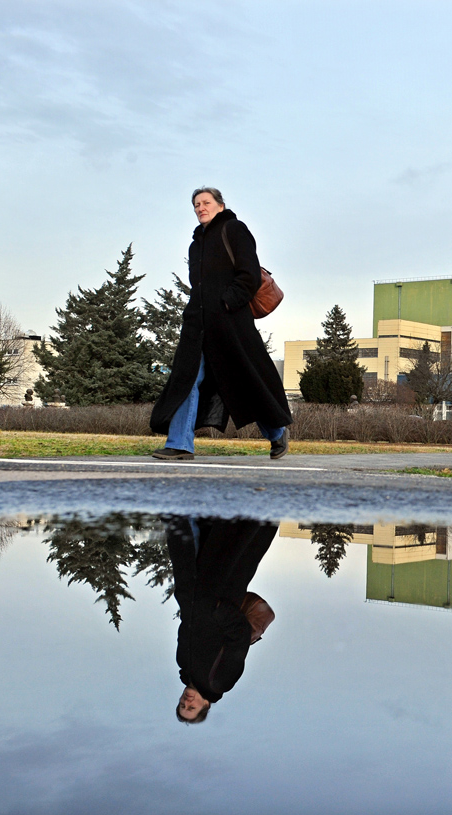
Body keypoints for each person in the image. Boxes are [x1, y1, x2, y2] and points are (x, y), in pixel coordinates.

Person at [150, 187, 292, 460]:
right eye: (196, 205)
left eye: (205, 202)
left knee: (245, 380)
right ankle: (179, 443)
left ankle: (276, 432)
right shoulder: (195, 245)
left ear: (220, 205)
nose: (200, 208)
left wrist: (227, 303)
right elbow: (198, 287)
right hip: (197, 326)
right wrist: (193, 313)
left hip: (230, 324)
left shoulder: (235, 230)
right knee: (187, 379)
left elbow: (249, 275)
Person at [167, 517, 278, 724]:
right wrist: (216, 608)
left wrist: (186, 603)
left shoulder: (182, 665)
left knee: (185, 533)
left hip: (191, 589)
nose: (186, 702)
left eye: (182, 705)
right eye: (192, 707)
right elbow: (239, 638)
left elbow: (186, 628)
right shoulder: (220, 682)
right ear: (206, 705)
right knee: (230, 536)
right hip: (219, 587)